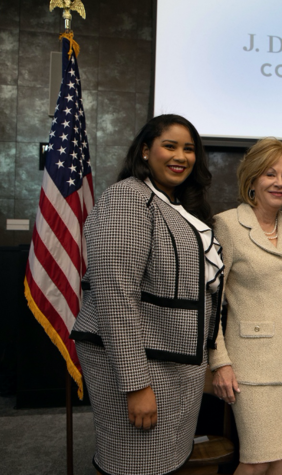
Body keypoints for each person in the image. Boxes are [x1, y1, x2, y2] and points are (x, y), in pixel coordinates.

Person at [70, 114, 224, 475]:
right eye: (169, 145)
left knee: (164, 463)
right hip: (141, 366)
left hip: (173, 364)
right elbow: (115, 298)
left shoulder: (175, 204)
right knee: (134, 464)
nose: (181, 156)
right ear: (144, 150)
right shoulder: (128, 198)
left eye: (189, 149)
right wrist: (135, 384)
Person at [209, 138, 282, 475]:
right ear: (253, 178)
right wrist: (219, 362)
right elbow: (211, 300)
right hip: (252, 368)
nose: (280, 182)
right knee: (256, 461)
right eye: (271, 174)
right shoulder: (226, 225)